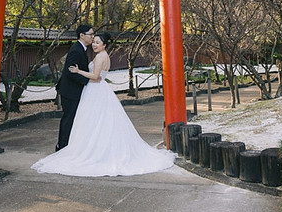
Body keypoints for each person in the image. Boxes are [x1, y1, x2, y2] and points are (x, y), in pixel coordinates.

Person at [33, 33, 176, 177]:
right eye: (93, 42)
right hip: (101, 89)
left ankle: (93, 150)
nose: (94, 45)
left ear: (104, 45)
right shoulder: (104, 55)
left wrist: (78, 71)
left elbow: (95, 76)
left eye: (97, 42)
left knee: (94, 121)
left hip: (95, 89)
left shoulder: (101, 56)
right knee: (100, 121)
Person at [55, 25, 95, 151]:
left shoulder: (81, 49)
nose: (92, 37)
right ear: (81, 35)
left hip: (74, 90)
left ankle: (68, 145)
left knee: (73, 119)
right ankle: (62, 147)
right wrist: (88, 81)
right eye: (90, 34)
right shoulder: (76, 50)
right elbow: (70, 72)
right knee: (68, 119)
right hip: (70, 91)